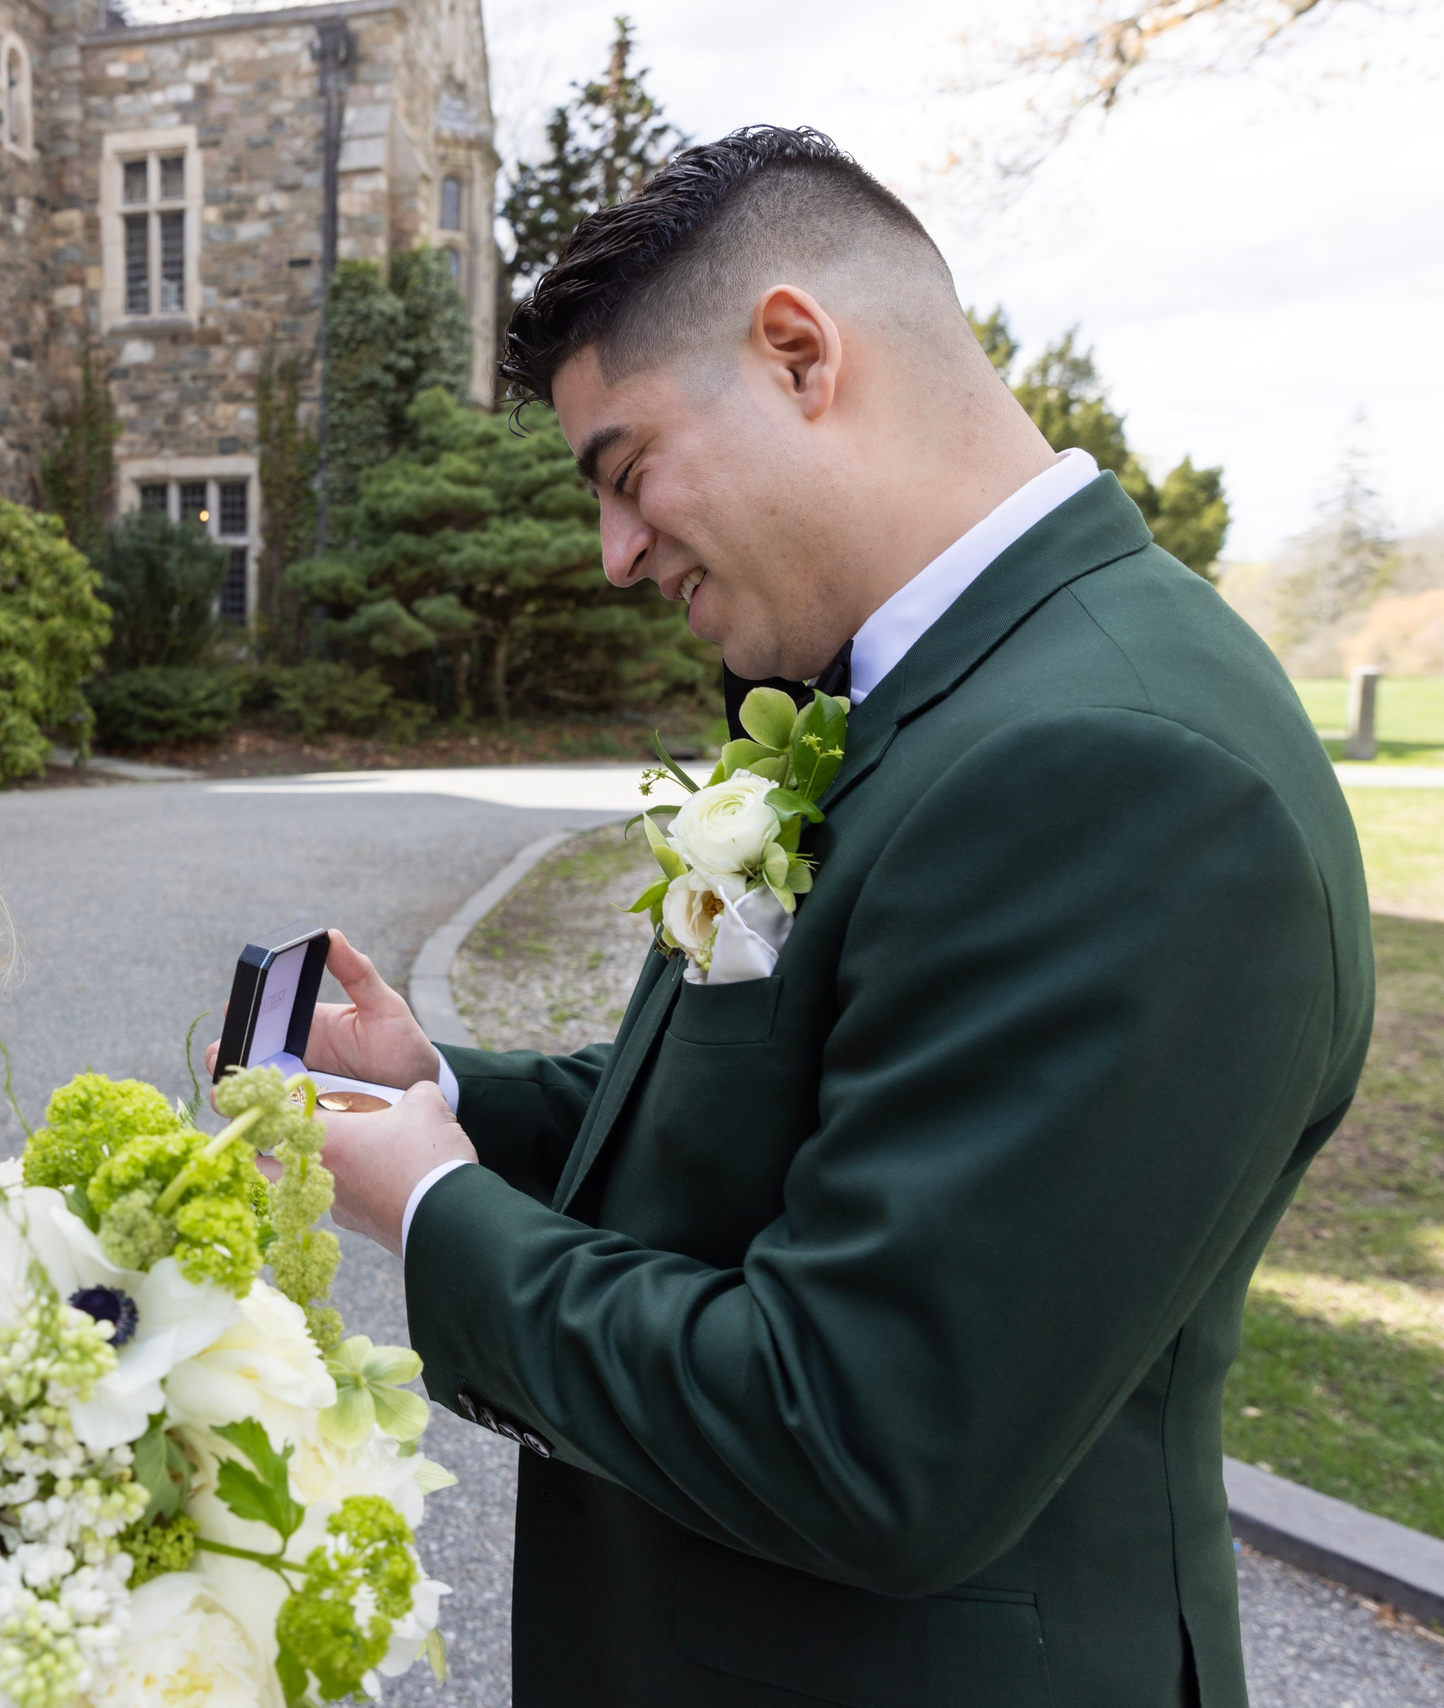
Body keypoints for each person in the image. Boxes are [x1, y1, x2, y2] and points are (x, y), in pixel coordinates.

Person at [291, 126, 1371, 1704]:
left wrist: (436, 1212)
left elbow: (862, 1433)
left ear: (798, 353)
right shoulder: (947, 684)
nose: (613, 553)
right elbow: (802, 1097)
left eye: (626, 470)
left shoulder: (1120, 770)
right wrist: (440, 1098)